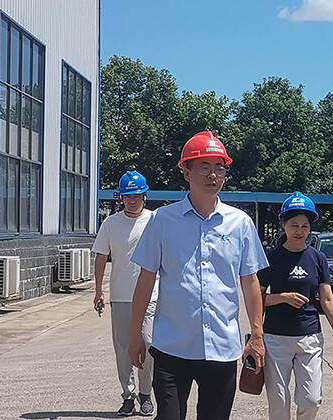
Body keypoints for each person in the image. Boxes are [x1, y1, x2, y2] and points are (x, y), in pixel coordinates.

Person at [127, 131, 270, 420]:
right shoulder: (162, 220)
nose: (213, 175)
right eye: (204, 166)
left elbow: (250, 281)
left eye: (219, 167)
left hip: (222, 348)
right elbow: (145, 279)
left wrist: (257, 335)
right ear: (186, 172)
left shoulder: (239, 223)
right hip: (171, 346)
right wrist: (134, 336)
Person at [259, 192, 333, 420]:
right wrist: (282, 297)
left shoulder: (318, 258)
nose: (299, 231)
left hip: (309, 336)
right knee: (279, 402)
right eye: (294, 225)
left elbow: (327, 299)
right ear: (284, 225)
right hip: (276, 337)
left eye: (305, 226)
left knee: (311, 400)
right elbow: (257, 298)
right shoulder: (271, 258)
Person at [92, 170, 159, 416]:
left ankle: (146, 393)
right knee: (122, 348)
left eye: (137, 195)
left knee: (148, 344)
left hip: (151, 295)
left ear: (144, 196)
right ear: (121, 197)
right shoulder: (111, 223)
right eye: (127, 196)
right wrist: (98, 290)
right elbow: (101, 256)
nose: (132, 200)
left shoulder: (155, 220)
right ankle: (128, 396)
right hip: (120, 295)